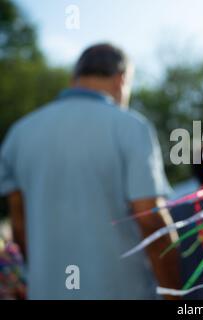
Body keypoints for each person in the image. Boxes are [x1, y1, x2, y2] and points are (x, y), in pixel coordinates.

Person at [0, 43, 181, 299]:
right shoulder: (130, 127)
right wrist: (175, 295)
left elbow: (19, 225)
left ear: (75, 79)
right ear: (121, 79)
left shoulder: (20, 133)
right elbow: (150, 219)